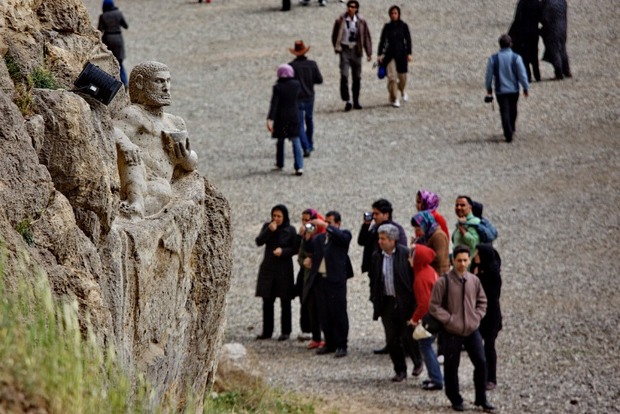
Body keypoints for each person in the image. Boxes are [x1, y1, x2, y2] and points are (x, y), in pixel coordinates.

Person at [113, 61, 198, 218]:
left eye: (168, 81)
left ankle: (136, 211)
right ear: (140, 83)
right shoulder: (133, 114)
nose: (166, 87)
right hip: (136, 176)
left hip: (158, 183)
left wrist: (186, 156)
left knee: (163, 191)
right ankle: (135, 203)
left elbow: (191, 164)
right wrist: (126, 144)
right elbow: (111, 130)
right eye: (159, 81)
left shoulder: (175, 122)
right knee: (136, 160)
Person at [429, 245, 494, 412]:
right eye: (459, 260)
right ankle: (455, 398)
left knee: (481, 363)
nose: (463, 264)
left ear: (470, 260)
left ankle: (481, 398)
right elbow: (434, 306)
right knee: (451, 367)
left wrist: (476, 317)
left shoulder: (474, 280)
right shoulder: (443, 282)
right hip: (452, 332)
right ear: (453, 261)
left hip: (472, 330)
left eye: (465, 260)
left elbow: (482, 302)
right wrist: (450, 320)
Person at [369, 224, 423, 381]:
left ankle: (418, 362)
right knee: (392, 338)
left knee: (409, 335)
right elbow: (374, 279)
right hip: (386, 302)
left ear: (393, 240)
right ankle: (400, 370)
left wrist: (415, 302)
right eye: (379, 238)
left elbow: (414, 278)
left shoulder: (406, 254)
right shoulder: (377, 257)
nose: (380, 241)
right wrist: (374, 297)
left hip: (405, 302)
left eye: (383, 239)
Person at [357, 198, 407, 355]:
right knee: (383, 309)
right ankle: (390, 342)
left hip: (391, 276)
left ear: (386, 214)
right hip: (377, 274)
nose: (374, 216)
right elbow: (361, 241)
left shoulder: (394, 230)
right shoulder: (375, 228)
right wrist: (366, 225)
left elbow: (402, 252)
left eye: (377, 214)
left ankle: (402, 345)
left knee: (397, 313)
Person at [305, 211, 353, 358]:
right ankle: (329, 343)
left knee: (338, 312)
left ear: (338, 224)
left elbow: (344, 239)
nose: (327, 225)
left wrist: (325, 225)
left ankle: (341, 344)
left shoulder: (343, 236)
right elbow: (308, 247)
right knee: (324, 313)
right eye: (326, 221)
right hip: (321, 280)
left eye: (330, 222)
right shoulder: (320, 239)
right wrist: (307, 233)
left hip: (336, 281)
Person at [255, 204, 300, 341]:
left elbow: (295, 248)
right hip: (268, 269)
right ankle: (267, 331)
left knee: (285, 301)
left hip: (284, 270)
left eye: (279, 216)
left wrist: (284, 251)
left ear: (284, 217)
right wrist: (269, 231)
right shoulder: (267, 226)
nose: (276, 218)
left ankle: (286, 331)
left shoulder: (290, 230)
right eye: (274, 216)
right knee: (267, 301)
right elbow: (259, 241)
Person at [408, 244, 443, 391]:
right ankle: (435, 376)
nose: (409, 258)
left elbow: (424, 304)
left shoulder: (420, 278)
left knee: (426, 346)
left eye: (412, 255)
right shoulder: (429, 270)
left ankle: (436, 379)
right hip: (438, 314)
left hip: (430, 318)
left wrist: (414, 320)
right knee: (428, 346)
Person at [485, 34, 529, 143]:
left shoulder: (493, 59)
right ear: (510, 44)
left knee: (504, 110)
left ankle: (507, 132)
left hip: (500, 90)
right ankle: (512, 128)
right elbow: (522, 74)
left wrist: (488, 87)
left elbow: (489, 75)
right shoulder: (516, 58)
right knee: (513, 109)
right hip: (514, 89)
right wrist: (525, 87)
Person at [471, 244, 503, 391]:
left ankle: (491, 378)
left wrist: (478, 277)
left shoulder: (493, 275)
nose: (475, 255)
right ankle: (482, 375)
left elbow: (489, 295)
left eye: (477, 253)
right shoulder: (476, 269)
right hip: (478, 315)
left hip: (490, 316)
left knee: (489, 346)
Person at [331, 0, 372, 111]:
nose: (350, 8)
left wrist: (368, 52)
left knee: (357, 77)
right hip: (345, 49)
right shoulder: (340, 20)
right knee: (344, 75)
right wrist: (337, 46)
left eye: (353, 7)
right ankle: (347, 99)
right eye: (349, 6)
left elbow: (366, 36)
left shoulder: (361, 21)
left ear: (356, 9)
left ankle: (356, 100)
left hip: (356, 50)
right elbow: (334, 34)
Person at [296, 208, 326, 349]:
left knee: (324, 308)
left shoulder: (324, 235)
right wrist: (304, 262)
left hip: (323, 277)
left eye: (309, 220)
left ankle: (326, 337)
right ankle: (315, 337)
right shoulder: (305, 237)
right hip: (309, 277)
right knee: (311, 307)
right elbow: (301, 255)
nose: (306, 223)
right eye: (304, 220)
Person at [267, 64, 304, 176]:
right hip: (293, 116)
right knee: (296, 141)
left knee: (280, 140)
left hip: (281, 118)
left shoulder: (277, 87)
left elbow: (274, 104)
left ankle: (280, 162)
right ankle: (299, 166)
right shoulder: (297, 85)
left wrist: (269, 119)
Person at [288, 40, 323, 157]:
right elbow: (319, 80)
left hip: (297, 97)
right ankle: (310, 143)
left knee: (300, 123)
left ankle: (305, 146)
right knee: (309, 120)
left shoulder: (291, 66)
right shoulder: (312, 64)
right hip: (309, 96)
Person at [377, 5, 412, 108]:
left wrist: (409, 53)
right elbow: (382, 41)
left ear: (399, 14)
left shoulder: (403, 26)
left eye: (395, 13)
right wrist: (379, 54)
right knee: (392, 78)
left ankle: (402, 90)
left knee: (402, 78)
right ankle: (394, 98)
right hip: (389, 55)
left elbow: (408, 40)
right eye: (392, 13)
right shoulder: (387, 27)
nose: (393, 15)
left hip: (401, 54)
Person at [98, 0, 129, 86]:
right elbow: (126, 26)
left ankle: (111, 82)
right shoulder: (118, 13)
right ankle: (124, 82)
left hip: (108, 38)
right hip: (118, 38)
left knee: (110, 60)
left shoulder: (103, 16)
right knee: (120, 61)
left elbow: (100, 30)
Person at [411, 211, 450, 275]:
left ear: (425, 226)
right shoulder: (427, 236)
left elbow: (439, 258)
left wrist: (420, 251)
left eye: (418, 229)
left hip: (439, 273)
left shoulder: (438, 236)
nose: (417, 232)